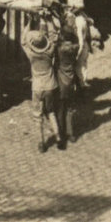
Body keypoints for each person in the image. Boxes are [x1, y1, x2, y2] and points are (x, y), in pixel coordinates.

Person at [22, 14, 59, 152]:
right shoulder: (49, 52)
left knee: (37, 116)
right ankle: (58, 135)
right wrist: (49, 20)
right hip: (50, 85)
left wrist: (29, 22)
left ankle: (41, 142)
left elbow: (23, 41)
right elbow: (53, 38)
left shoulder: (31, 55)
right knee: (51, 112)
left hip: (37, 87)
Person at [55, 17, 80, 148]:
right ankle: (71, 133)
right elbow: (77, 41)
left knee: (60, 108)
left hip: (60, 83)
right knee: (69, 108)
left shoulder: (60, 49)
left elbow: (56, 41)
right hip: (71, 83)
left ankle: (61, 132)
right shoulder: (74, 48)